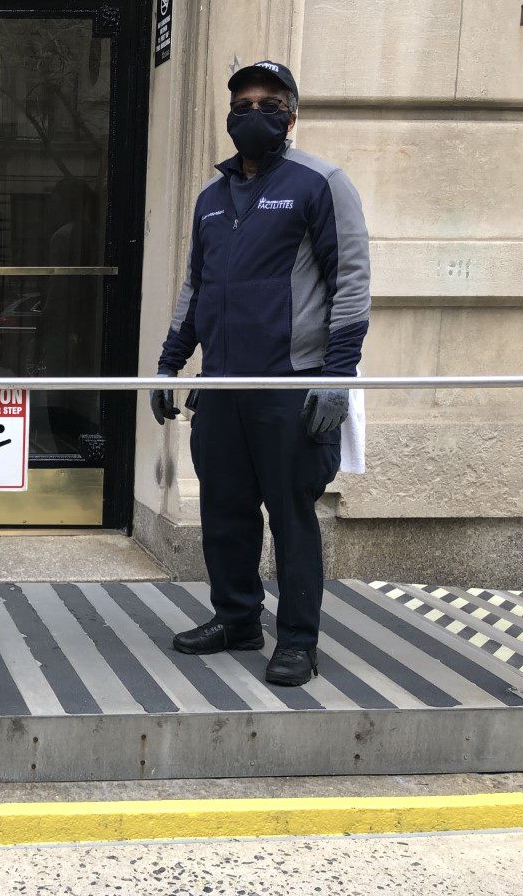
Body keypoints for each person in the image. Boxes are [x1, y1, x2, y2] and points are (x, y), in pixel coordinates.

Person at [150, 61, 370, 687]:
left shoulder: (320, 183)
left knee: (291, 515)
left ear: (291, 115)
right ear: (228, 115)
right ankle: (238, 619)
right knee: (225, 512)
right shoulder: (211, 200)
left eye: (268, 102)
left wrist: (338, 377)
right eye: (242, 102)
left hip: (288, 385)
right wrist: (169, 363)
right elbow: (197, 287)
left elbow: (351, 283)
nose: (253, 112)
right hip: (221, 386)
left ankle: (298, 641)